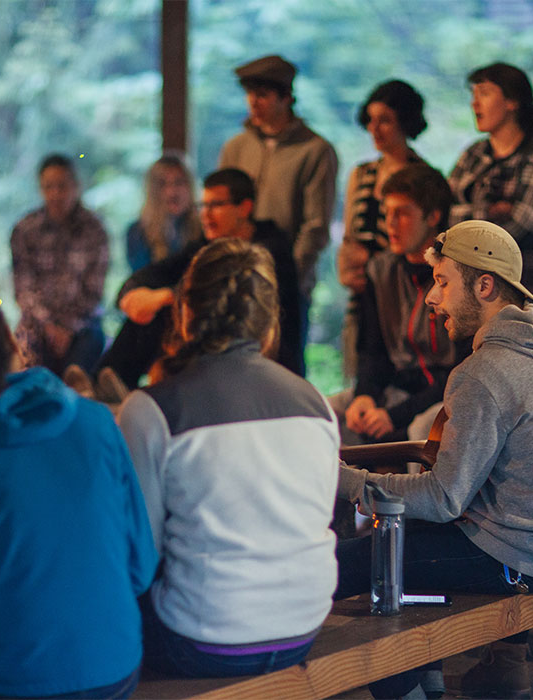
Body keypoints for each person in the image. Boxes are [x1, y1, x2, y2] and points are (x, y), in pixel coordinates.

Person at [0, 279, 157, 700]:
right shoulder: (97, 422)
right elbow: (140, 566)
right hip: (115, 672)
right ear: (8, 338)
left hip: (4, 684)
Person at [118, 238, 339, 678]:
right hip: (304, 625)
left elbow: (137, 559)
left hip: (200, 640)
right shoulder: (316, 403)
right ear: (269, 320)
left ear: (183, 311)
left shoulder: (151, 409)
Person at [336, 220, 533, 699]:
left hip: (509, 560)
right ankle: (429, 686)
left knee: (347, 568)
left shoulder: (486, 371)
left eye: (443, 282)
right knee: (398, 551)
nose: (431, 297)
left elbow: (444, 497)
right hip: (517, 550)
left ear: (484, 286)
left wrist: (343, 482)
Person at [95, 168, 301, 390]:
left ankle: (106, 388)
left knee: (166, 310)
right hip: (212, 346)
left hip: (259, 355)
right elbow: (158, 271)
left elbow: (223, 294)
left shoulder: (270, 249)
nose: (206, 214)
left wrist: (166, 296)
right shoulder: (206, 244)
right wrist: (134, 292)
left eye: (216, 205)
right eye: (203, 205)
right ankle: (105, 386)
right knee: (152, 314)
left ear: (244, 208)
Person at [331, 164, 467, 447]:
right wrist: (364, 394)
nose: (390, 223)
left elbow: (461, 371)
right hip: (394, 388)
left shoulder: (457, 277)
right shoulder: (380, 270)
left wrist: (396, 415)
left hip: (441, 395)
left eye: (402, 213)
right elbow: (372, 350)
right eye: (387, 212)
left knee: (422, 428)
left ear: (433, 216)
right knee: (326, 414)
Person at [219, 54, 338, 374]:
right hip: (235, 275)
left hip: (285, 281)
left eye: (262, 95)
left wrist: (289, 275)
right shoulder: (236, 147)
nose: (253, 103)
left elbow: (315, 226)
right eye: (249, 95)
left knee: (284, 367)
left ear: (286, 98)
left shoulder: (315, 150)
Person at [338, 80, 427, 378]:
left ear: (405, 121)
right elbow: (349, 234)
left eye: (385, 121)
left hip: (401, 294)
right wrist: (348, 268)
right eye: (371, 120)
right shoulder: (361, 174)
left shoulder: (423, 177)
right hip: (361, 290)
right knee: (358, 370)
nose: (375, 129)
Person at [11, 153, 109, 375]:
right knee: (25, 353)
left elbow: (94, 292)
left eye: (62, 186)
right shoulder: (25, 230)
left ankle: (78, 391)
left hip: (82, 327)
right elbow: (23, 289)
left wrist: (66, 328)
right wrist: (49, 325)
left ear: (76, 186)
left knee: (87, 350)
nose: (56, 194)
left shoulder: (94, 230)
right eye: (49, 187)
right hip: (38, 326)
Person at [449, 62, 533, 290]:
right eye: (473, 95)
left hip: (519, 281)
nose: (474, 103)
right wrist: (489, 211)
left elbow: (519, 225)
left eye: (484, 94)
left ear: (512, 101)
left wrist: (468, 216)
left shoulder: (529, 156)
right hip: (467, 277)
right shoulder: (473, 154)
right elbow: (446, 210)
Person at [126, 154, 201, 271]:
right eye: (163, 184)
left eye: (179, 182)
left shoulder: (204, 229)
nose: (172, 193)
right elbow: (142, 277)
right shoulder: (137, 232)